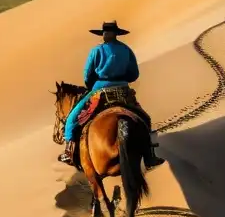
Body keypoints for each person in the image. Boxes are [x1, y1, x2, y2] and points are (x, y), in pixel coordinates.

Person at [58, 20, 166, 169]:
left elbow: (87, 75)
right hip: (123, 90)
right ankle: (149, 156)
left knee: (71, 118)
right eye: (105, 32)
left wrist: (92, 86)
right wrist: (122, 79)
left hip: (99, 90)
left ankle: (69, 153)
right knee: (144, 118)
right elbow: (134, 74)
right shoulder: (126, 50)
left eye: (107, 32)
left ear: (111, 34)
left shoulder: (96, 51)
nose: (106, 34)